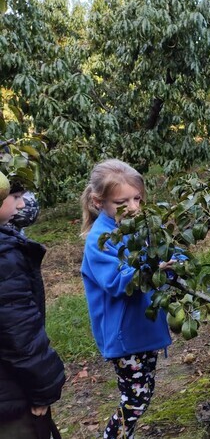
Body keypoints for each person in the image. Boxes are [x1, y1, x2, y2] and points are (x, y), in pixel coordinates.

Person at [80, 159, 173, 439]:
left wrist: (174, 261)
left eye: (137, 199)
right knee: (134, 400)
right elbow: (120, 282)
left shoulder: (138, 227)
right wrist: (154, 268)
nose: (133, 207)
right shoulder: (100, 241)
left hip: (142, 330)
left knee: (141, 395)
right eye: (123, 201)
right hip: (125, 337)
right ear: (99, 202)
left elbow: (167, 252)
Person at [0, 183, 65, 439]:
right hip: (12, 400)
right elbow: (19, 334)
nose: (20, 205)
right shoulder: (4, 259)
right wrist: (45, 388)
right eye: (13, 197)